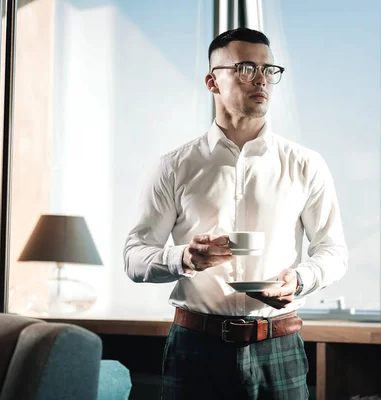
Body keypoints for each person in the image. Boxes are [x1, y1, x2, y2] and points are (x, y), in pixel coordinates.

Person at [124, 27, 348, 400]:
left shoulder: (306, 164)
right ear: (213, 82)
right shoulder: (174, 167)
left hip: (278, 343)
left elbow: (334, 251)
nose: (261, 78)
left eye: (268, 69)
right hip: (195, 345)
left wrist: (299, 279)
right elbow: (134, 258)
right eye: (246, 67)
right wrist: (184, 257)